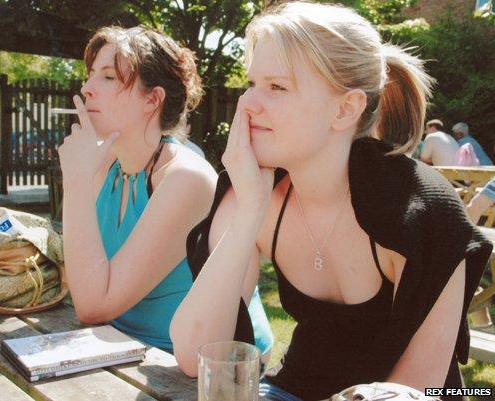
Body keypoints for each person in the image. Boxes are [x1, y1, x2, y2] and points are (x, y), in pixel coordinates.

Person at [170, 2, 491, 401]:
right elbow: (194, 354)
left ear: (345, 108)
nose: (247, 104)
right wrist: (250, 209)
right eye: (252, 84)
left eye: (277, 87)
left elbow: (413, 390)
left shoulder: (422, 212)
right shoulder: (252, 191)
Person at [58, 26, 273, 354]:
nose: (87, 89)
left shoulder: (185, 179)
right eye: (89, 76)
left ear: (152, 99)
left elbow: (92, 305)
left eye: (108, 77)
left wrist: (74, 182)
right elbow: (79, 279)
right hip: (120, 348)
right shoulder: (103, 163)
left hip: (195, 368)